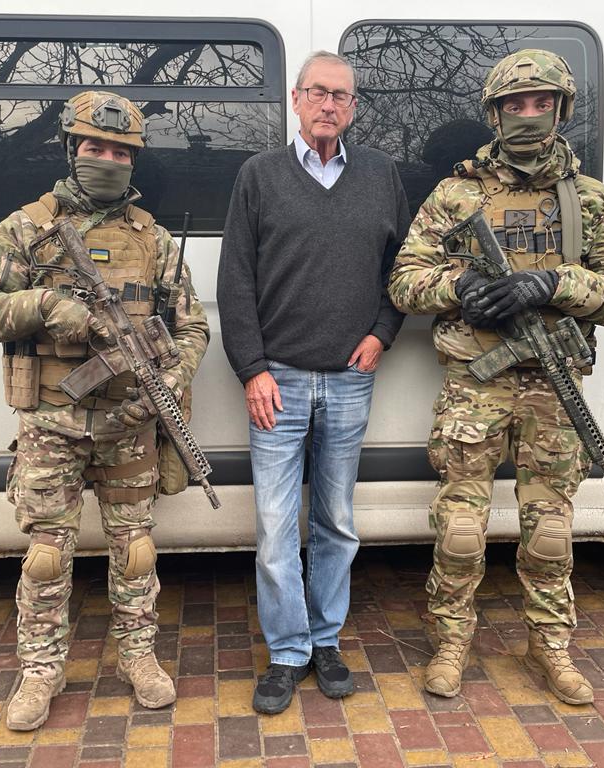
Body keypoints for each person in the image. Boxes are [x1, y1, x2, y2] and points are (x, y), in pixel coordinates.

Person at [388, 50, 604, 705]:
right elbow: (404, 280)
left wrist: (557, 282)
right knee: (459, 526)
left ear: (560, 110)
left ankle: (551, 648)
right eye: (515, 104)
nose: (528, 115)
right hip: (475, 386)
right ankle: (451, 643)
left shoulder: (590, 201)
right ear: (496, 113)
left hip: (553, 385)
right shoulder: (457, 194)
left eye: (541, 103)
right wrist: (463, 286)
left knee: (550, 528)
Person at [0, 90, 209, 729]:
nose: (108, 159)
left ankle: (138, 656)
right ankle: (40, 671)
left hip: (130, 423)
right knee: (47, 552)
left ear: (135, 160)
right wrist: (46, 306)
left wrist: (172, 374)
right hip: (52, 423)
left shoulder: (153, 239)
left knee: (136, 549)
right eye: (95, 147)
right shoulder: (26, 227)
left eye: (121, 151)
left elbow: (193, 326)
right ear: (72, 149)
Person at [217, 51, 410, 714]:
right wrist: (252, 369)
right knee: (276, 525)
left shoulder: (382, 176)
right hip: (279, 381)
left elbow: (403, 269)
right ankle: (288, 651)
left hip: (350, 381)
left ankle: (326, 640)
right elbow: (234, 280)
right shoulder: (259, 176)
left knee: (335, 521)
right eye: (318, 93)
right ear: (296, 101)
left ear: (353, 108)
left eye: (342, 96)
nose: (330, 105)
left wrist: (382, 332)